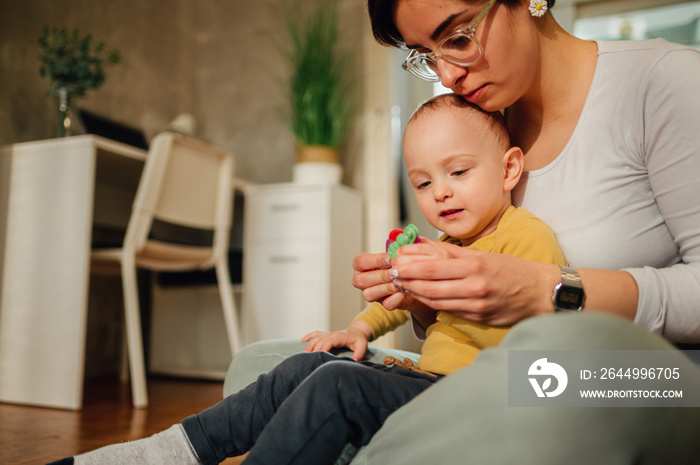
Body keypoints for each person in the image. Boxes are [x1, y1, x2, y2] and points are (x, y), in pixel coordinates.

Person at [225, 0, 700, 463]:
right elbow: (466, 336)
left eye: (457, 38)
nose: (448, 75)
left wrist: (547, 289)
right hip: (496, 375)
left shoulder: (664, 81)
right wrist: (422, 298)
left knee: (551, 378)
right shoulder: (477, 127)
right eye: (426, 55)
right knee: (261, 367)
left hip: (657, 375)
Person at [50, 89, 567, 465]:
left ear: (508, 169)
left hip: (473, 397)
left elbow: (542, 332)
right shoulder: (443, 246)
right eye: (425, 182)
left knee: (339, 385)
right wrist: (362, 328)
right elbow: (395, 300)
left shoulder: (526, 237)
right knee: (310, 365)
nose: (442, 193)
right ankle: (168, 452)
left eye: (458, 172)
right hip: (431, 383)